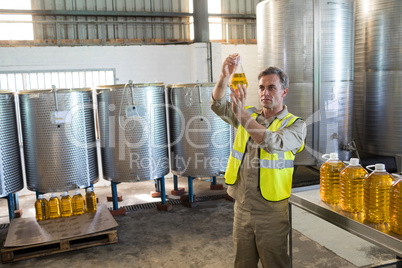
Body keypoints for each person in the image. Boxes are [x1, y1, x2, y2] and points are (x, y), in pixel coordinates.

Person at [210, 53, 306, 268]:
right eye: (262, 87)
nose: (265, 92)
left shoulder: (296, 125)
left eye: (272, 87)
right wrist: (224, 77)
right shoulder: (250, 114)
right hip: (242, 206)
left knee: (275, 263)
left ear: (284, 92)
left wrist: (242, 115)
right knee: (243, 263)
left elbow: (271, 142)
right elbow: (217, 105)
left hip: (271, 210)